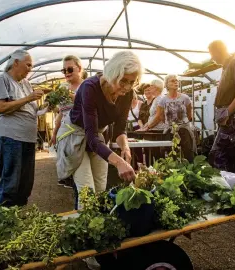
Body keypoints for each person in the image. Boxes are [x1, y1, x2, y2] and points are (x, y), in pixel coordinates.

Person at [56, 51, 141, 208]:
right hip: (76, 135)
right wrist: (119, 163)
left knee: (101, 188)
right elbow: (92, 137)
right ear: (112, 74)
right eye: (123, 81)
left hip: (97, 136)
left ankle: (98, 227)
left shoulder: (128, 94)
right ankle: (85, 230)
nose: (127, 87)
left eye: (132, 82)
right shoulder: (90, 88)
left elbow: (120, 129)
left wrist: (125, 147)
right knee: (87, 192)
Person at [0, 50, 44, 207]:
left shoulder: (26, 84)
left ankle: (19, 215)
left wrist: (47, 107)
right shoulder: (3, 79)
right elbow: (1, 108)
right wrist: (28, 98)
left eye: (32, 66)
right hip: (11, 138)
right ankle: (5, 218)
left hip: (28, 138)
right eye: (28, 65)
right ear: (15, 62)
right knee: (11, 182)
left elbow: (33, 110)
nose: (30, 69)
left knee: (26, 182)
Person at [208, 40, 235, 174]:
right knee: (232, 154)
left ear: (217, 51)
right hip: (227, 115)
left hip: (232, 116)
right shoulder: (226, 67)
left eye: (211, 54)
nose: (211, 57)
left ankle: (220, 190)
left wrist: (227, 113)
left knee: (216, 155)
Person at [141, 74, 196, 162]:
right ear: (167, 84)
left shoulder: (185, 98)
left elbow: (190, 115)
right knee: (171, 155)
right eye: (172, 81)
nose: (176, 82)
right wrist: (169, 124)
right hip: (169, 130)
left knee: (188, 154)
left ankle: (190, 172)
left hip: (184, 129)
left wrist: (181, 124)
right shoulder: (163, 100)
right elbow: (160, 116)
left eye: (176, 80)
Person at [50, 55, 85, 188]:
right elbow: (61, 113)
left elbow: (90, 108)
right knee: (72, 174)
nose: (66, 73)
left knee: (79, 174)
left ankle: (81, 205)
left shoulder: (85, 86)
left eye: (69, 69)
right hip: (65, 136)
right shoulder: (63, 88)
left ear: (79, 68)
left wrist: (73, 96)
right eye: (63, 71)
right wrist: (54, 133)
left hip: (79, 136)